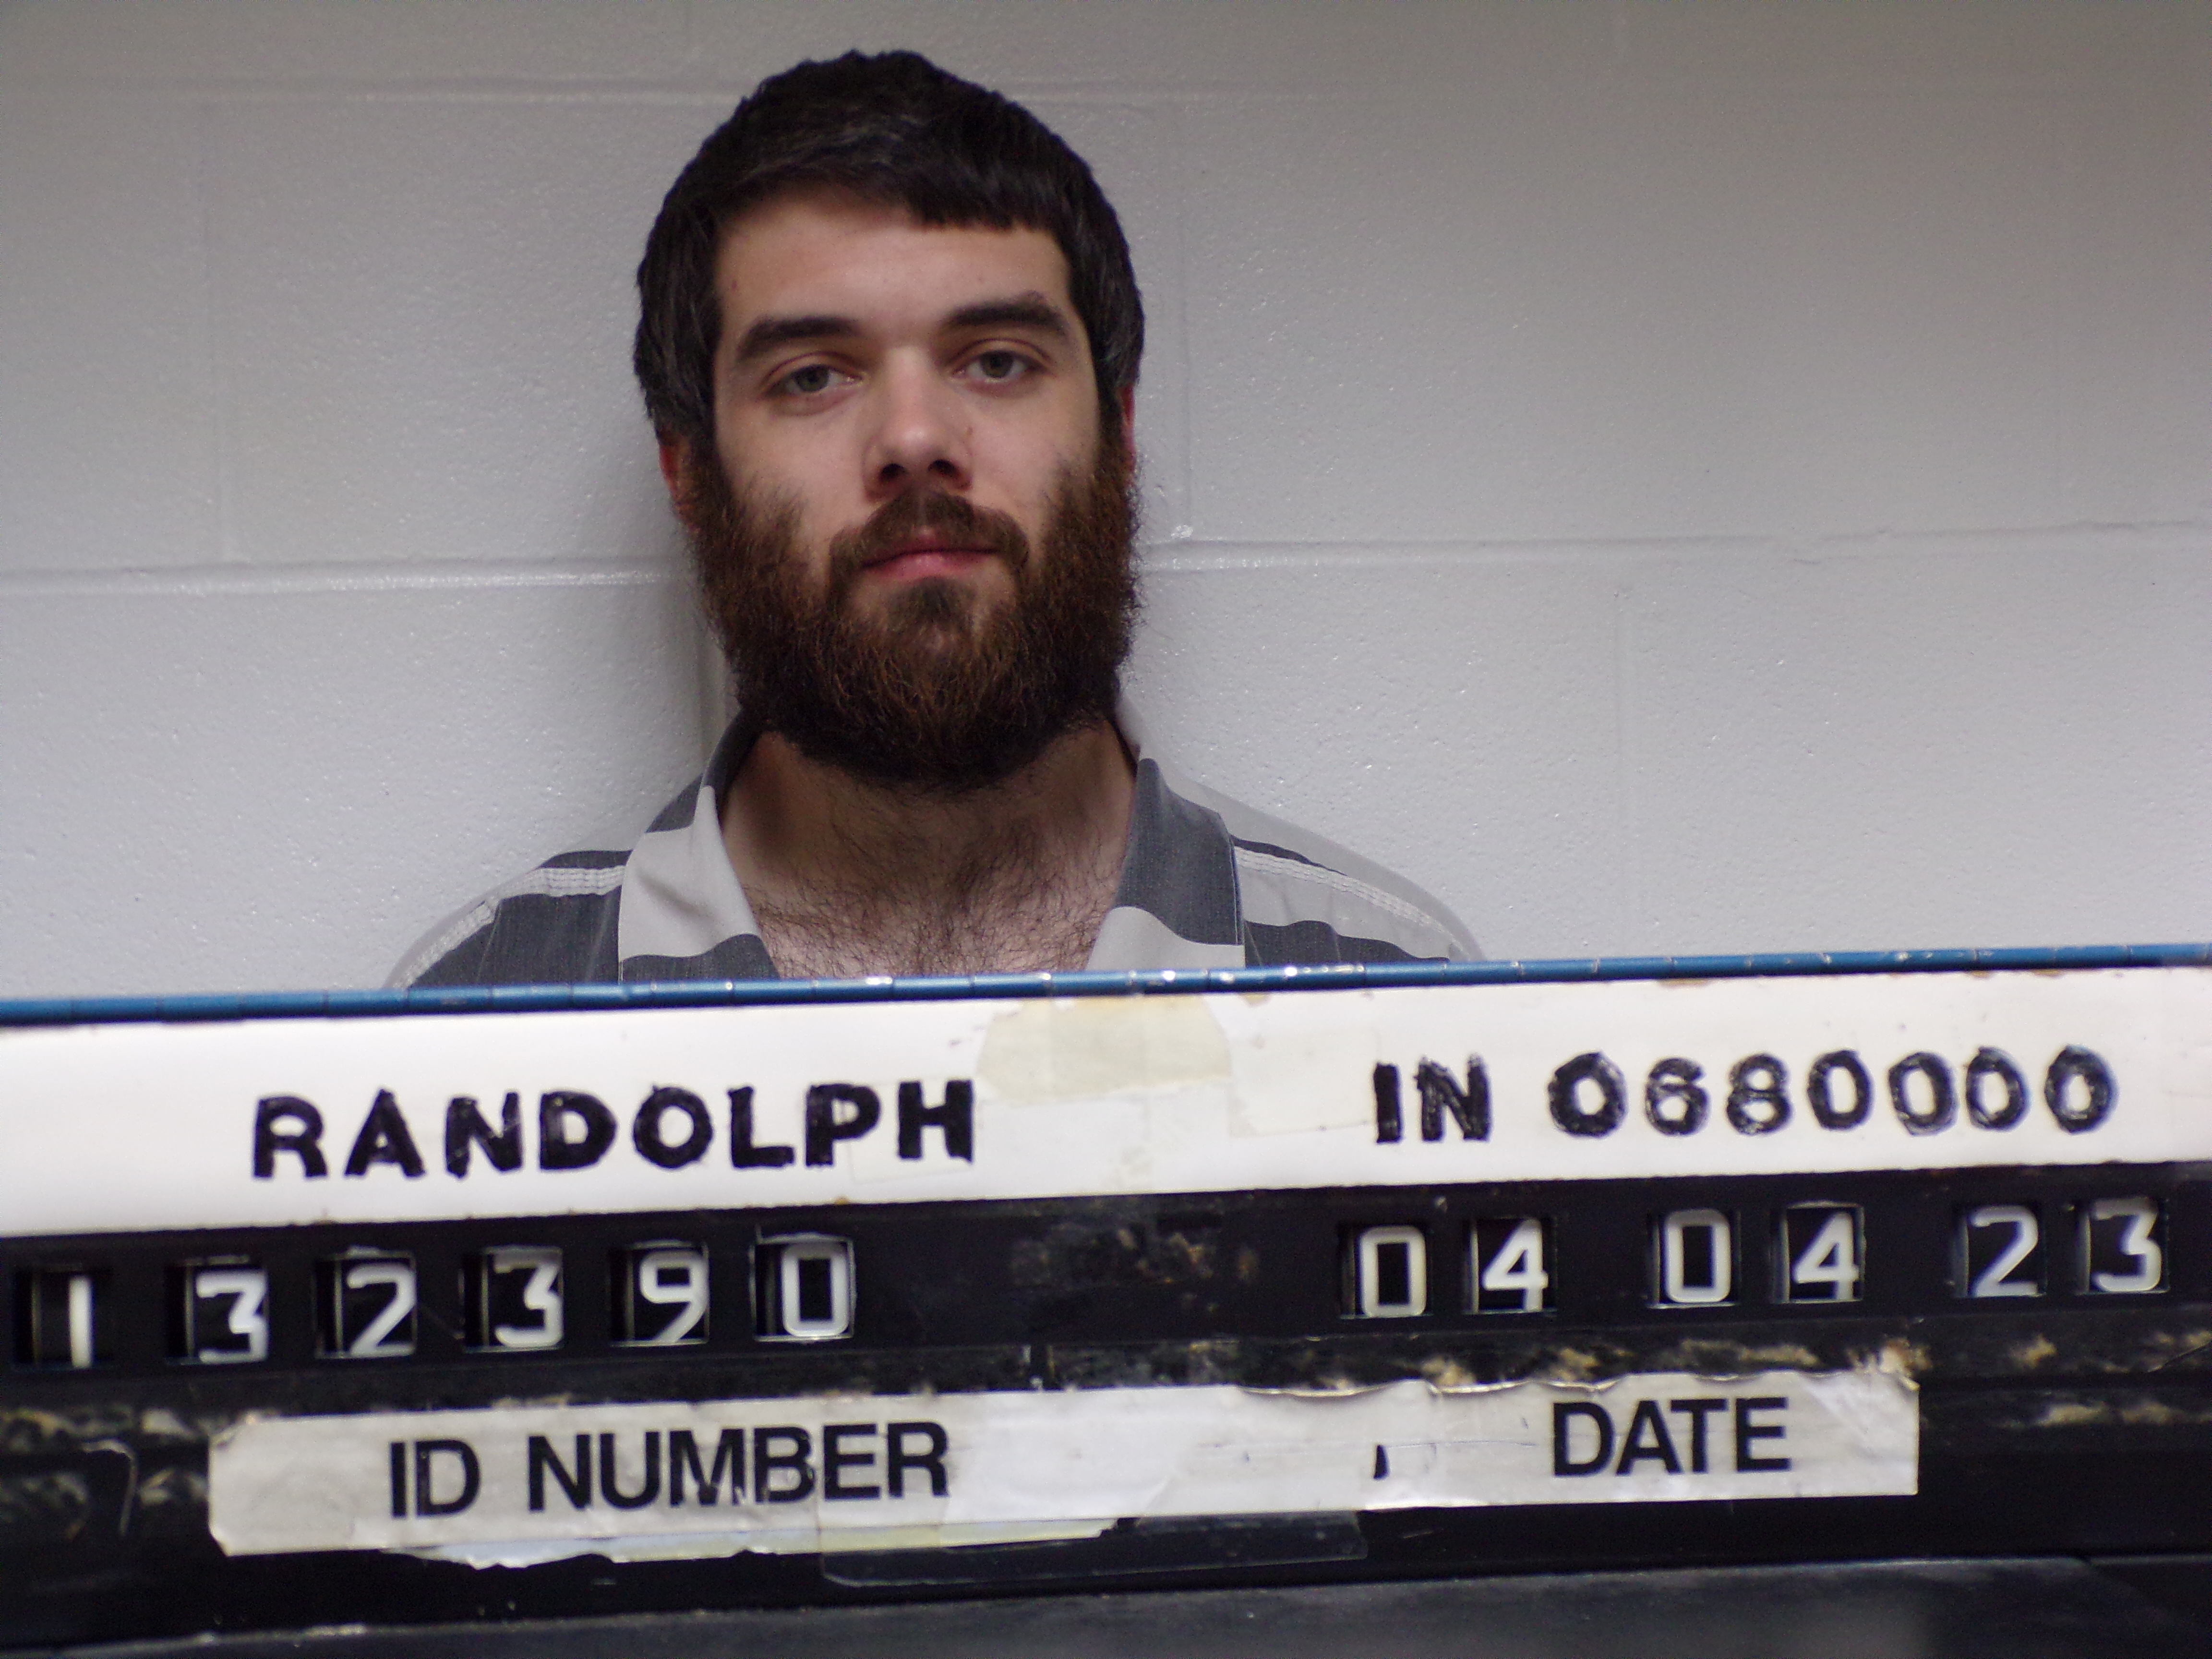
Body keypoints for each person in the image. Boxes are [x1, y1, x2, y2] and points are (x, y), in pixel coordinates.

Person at [391, 50, 1474, 988]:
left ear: (1120, 432)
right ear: (689, 474)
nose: (914, 438)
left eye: (997, 362)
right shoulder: (470, 1022)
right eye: (813, 376)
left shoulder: (1398, 996)